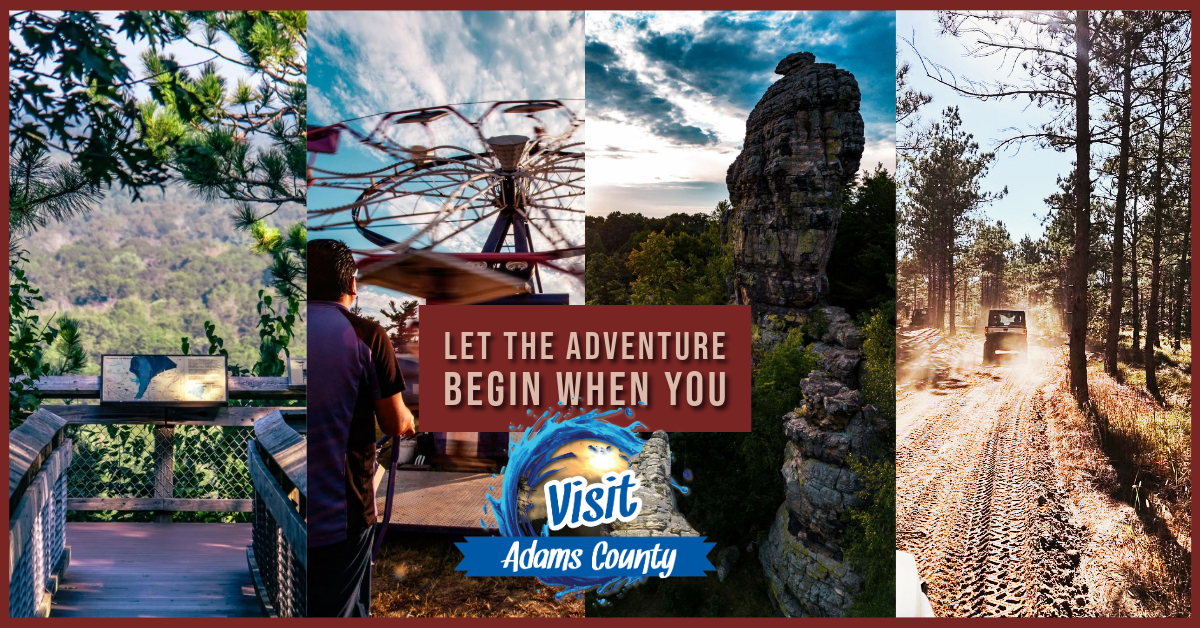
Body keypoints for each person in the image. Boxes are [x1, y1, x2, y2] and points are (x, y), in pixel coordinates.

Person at [307, 239, 416, 617]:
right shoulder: (367, 335)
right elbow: (394, 421)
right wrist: (409, 419)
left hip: (290, 506)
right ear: (352, 284)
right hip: (341, 512)